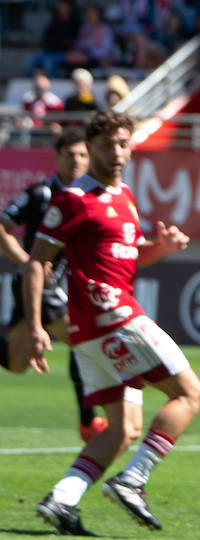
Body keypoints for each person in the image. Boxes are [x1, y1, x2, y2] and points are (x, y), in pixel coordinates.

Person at [20, 111, 200, 536]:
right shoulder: (72, 200)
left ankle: (62, 500)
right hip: (113, 318)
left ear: (131, 146)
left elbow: (130, 256)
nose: (116, 153)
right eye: (106, 145)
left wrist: (162, 247)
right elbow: (35, 264)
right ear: (91, 150)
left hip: (92, 334)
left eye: (122, 144)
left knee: (123, 430)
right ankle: (133, 480)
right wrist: (35, 326)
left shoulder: (125, 198)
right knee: (191, 394)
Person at [0, 126, 109, 442]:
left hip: (63, 288)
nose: (76, 161)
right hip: (37, 286)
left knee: (17, 363)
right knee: (82, 338)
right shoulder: (41, 194)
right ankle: (88, 422)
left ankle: (89, 421)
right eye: (70, 155)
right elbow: (2, 226)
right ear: (57, 157)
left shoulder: (92, 196)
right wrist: (26, 261)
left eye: (82, 155)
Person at [24, 0, 81, 78]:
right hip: (48, 52)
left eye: (65, 7)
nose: (62, 9)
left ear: (70, 8)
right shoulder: (54, 22)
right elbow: (47, 40)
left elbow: (69, 43)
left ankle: (50, 85)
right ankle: (29, 84)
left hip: (64, 54)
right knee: (30, 60)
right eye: (60, 6)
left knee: (48, 63)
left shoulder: (75, 24)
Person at [65, 6, 117, 71]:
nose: (90, 15)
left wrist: (90, 55)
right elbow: (78, 45)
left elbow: (105, 49)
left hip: (100, 60)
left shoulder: (105, 28)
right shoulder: (84, 28)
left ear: (99, 14)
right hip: (83, 57)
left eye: (92, 13)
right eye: (87, 13)